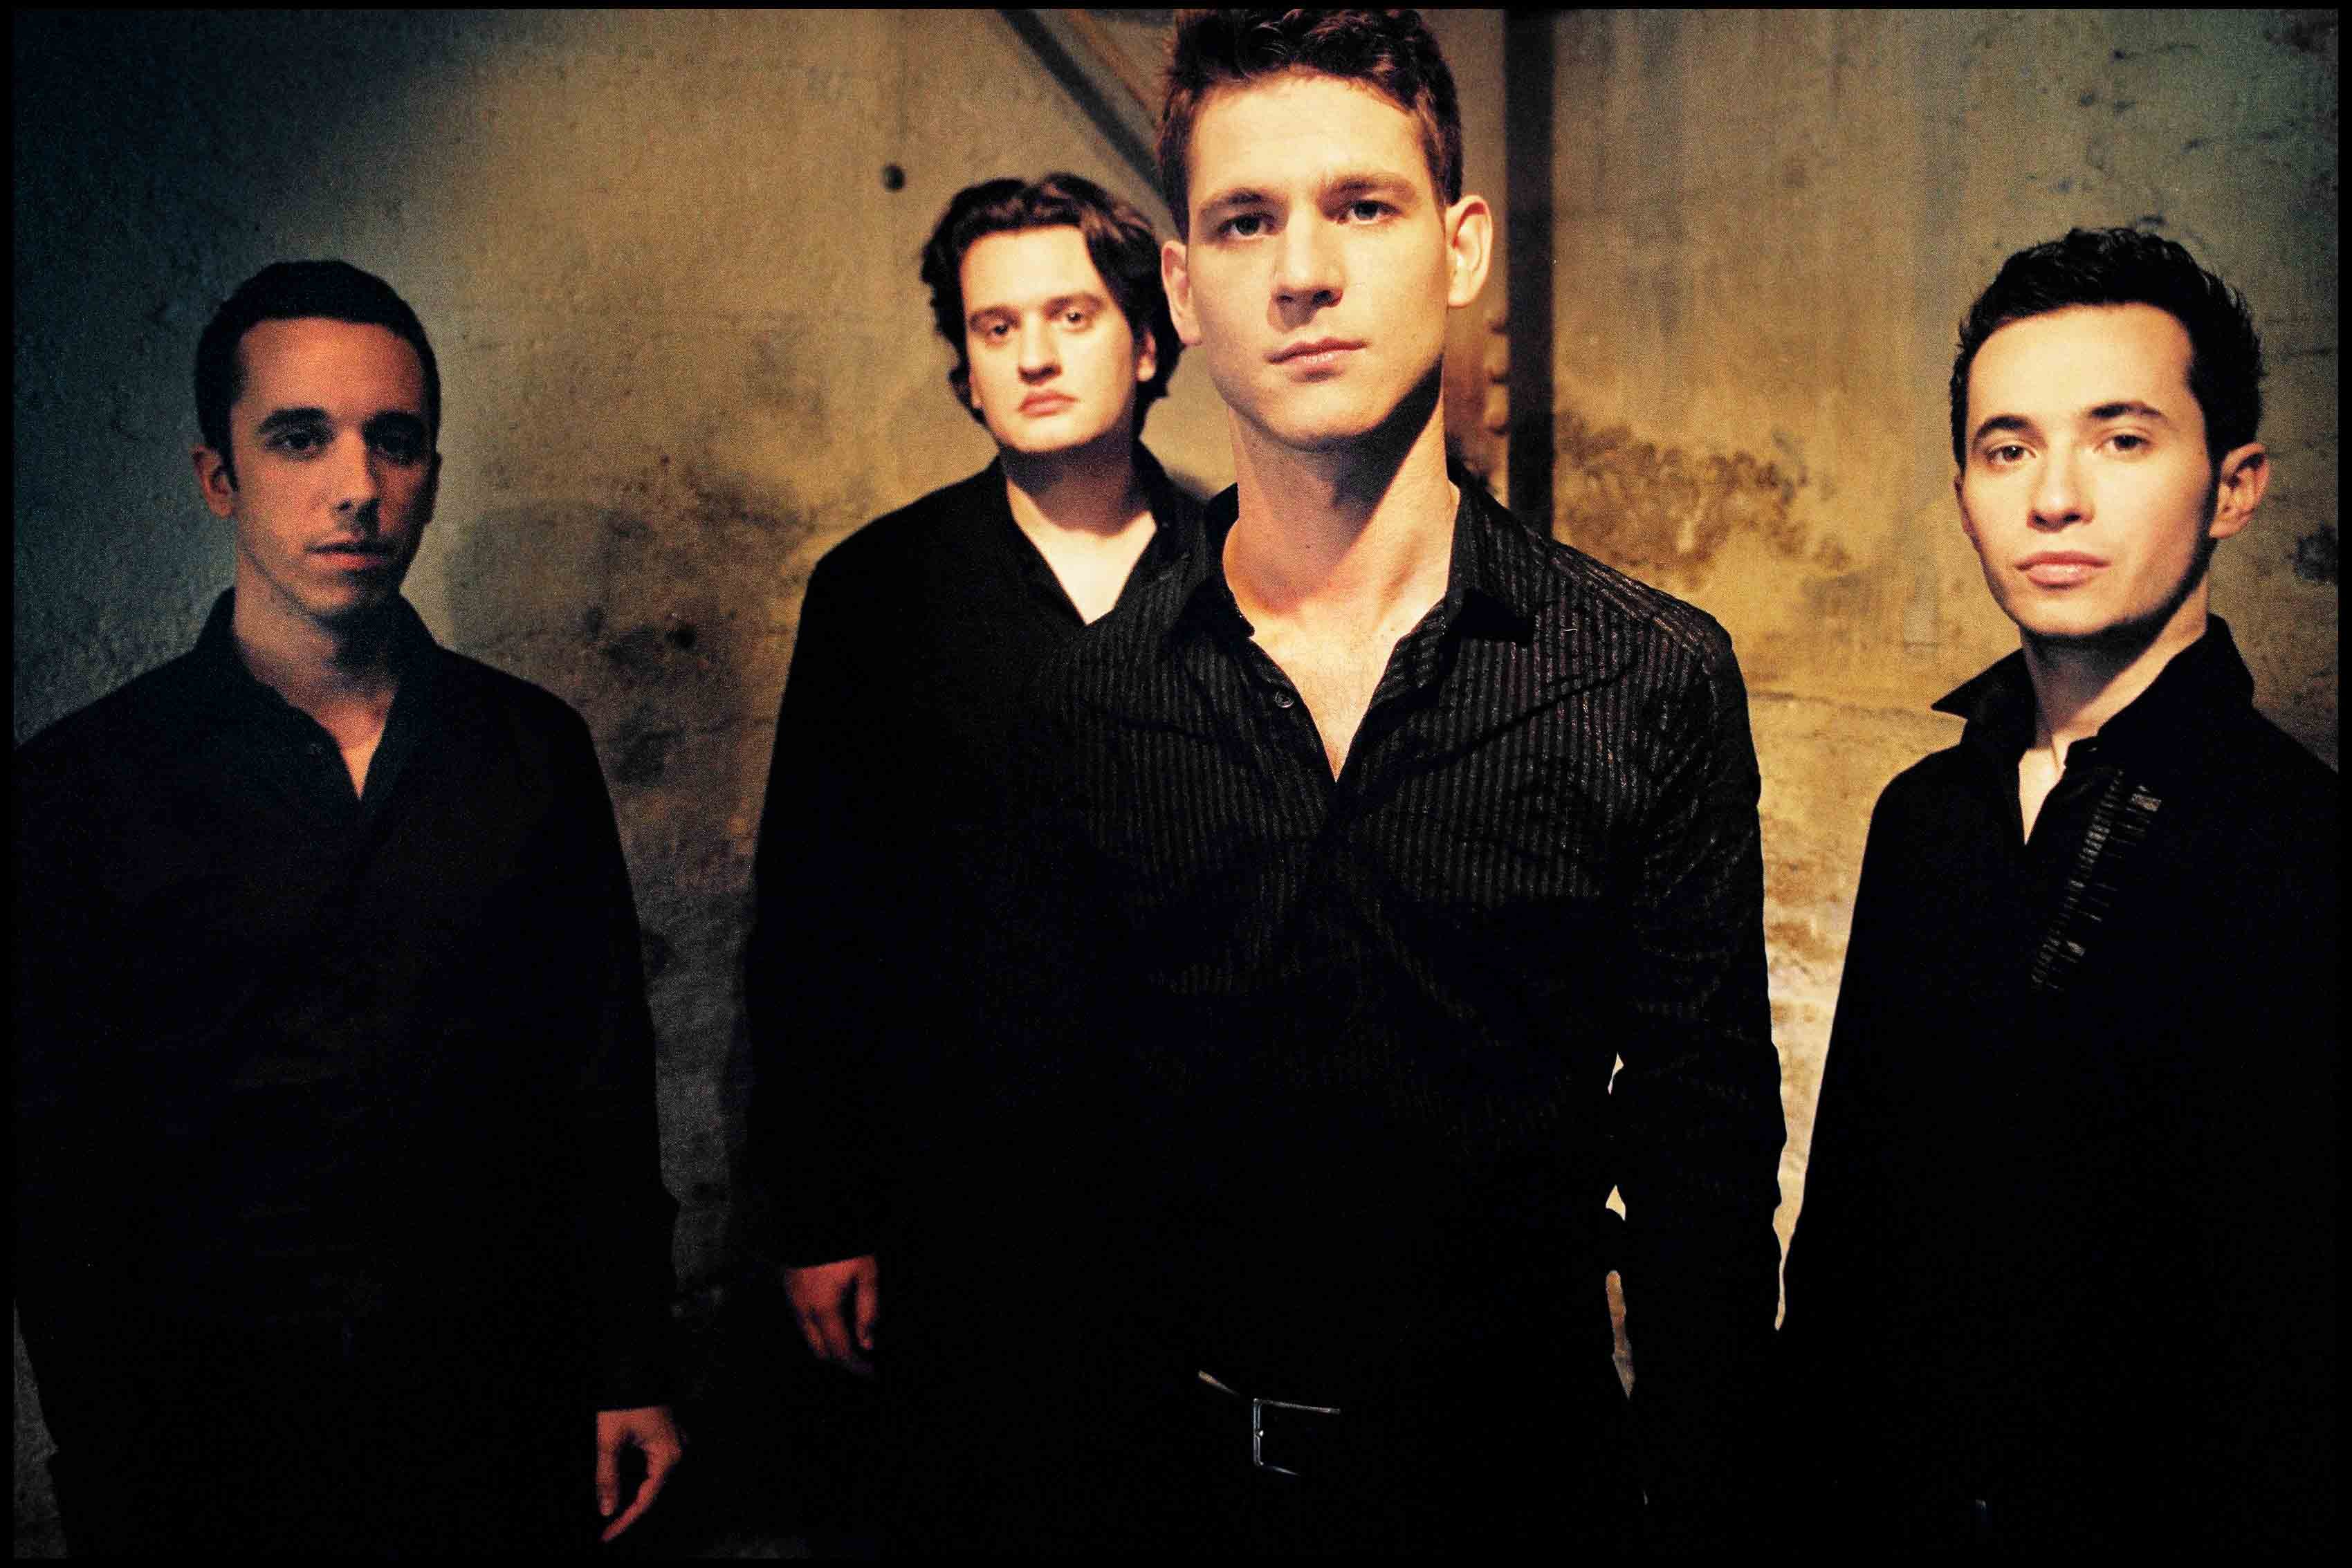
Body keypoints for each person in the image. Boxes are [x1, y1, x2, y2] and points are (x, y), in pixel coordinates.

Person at [1006, 10, 1785, 1552]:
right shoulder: (1090, 705)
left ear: (1460, 245)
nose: (1302, 271)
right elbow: (1045, 1180)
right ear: (1183, 288)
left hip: (1531, 1490)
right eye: (1245, 221)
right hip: (1179, 1490)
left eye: (1362, 205)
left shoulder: (1643, 680)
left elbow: (1702, 1175)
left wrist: (1705, 1496)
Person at [13, 259, 685, 1555]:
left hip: (500, 1415)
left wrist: (631, 1364)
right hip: (213, 1447)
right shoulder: (80, 788)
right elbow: (57, 1174)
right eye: (299, 437)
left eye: (396, 440)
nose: (357, 485)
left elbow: (600, 1083)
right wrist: (105, 1455)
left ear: (431, 470)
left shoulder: (531, 750)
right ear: (219, 476)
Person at [1779, 228, 2337, 1551]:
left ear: (2235, 485)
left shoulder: (2300, 848)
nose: (2056, 499)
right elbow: (1846, 1237)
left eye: (2122, 439)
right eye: (2009, 449)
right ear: (1964, 490)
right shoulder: (1927, 819)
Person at [742, 172, 1202, 1548]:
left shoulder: (1239, 570)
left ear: (1148, 341)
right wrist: (818, 1215)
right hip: (957, 1194)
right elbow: (812, 919)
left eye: (1072, 314)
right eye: (997, 328)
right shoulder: (878, 591)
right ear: (964, 373)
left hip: (1192, 1184)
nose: (1036, 354)